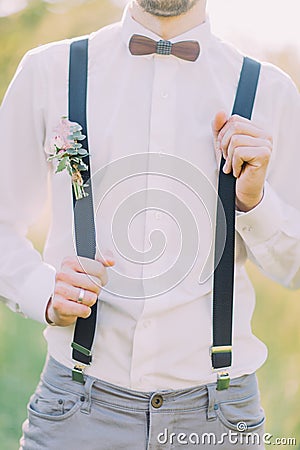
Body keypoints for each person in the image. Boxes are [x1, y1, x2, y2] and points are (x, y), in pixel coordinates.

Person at [0, 0, 300, 448]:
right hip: (75, 411)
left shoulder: (270, 92)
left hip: (220, 420)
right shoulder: (51, 71)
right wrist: (42, 292)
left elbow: (293, 268)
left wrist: (255, 202)